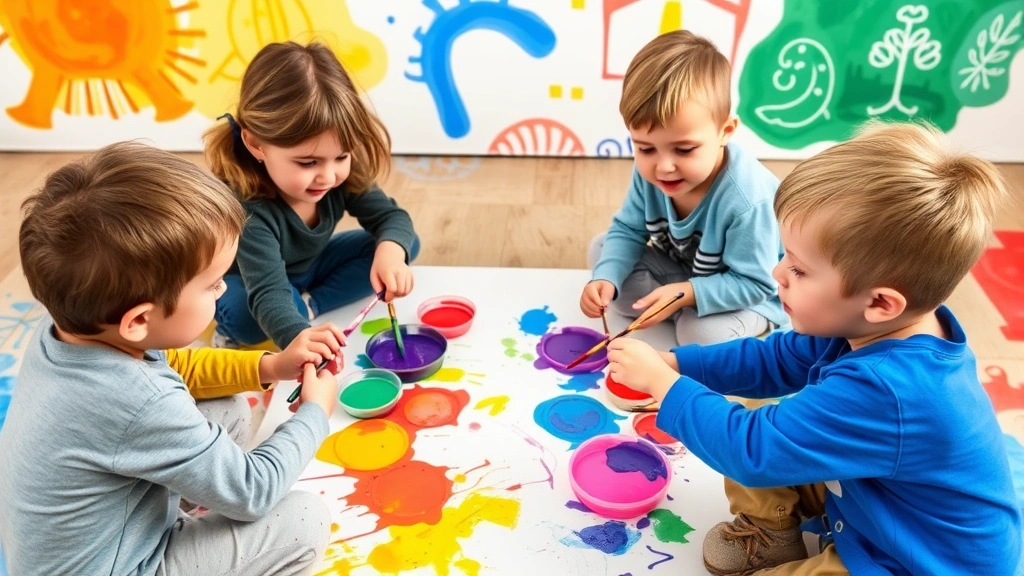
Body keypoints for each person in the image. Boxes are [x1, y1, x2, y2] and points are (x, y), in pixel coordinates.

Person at [606, 121, 1022, 575]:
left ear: (881, 302)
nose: (777, 274)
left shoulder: (889, 391)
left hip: (913, 559)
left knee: (748, 434)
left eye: (800, 270)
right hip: (870, 494)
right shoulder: (874, 324)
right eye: (785, 256)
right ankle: (775, 532)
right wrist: (676, 364)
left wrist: (666, 388)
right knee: (751, 405)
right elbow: (775, 358)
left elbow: (753, 451)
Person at [0, 141, 345, 575]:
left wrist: (270, 366)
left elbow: (175, 369)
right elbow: (254, 490)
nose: (223, 291)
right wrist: (315, 412)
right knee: (301, 521)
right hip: (125, 566)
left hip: (90, 541)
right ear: (139, 321)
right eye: (213, 283)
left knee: (228, 407)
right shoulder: (135, 401)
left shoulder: (66, 332)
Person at [205, 40, 419, 350]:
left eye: (342, 157)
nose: (329, 176)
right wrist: (299, 342)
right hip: (249, 282)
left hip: (307, 270)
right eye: (308, 163)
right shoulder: (248, 207)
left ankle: (309, 304)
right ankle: (232, 332)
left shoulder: (337, 173)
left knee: (402, 243)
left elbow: (390, 216)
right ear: (255, 145)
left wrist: (391, 252)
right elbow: (268, 291)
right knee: (249, 318)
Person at [582, 30, 785, 346]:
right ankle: (681, 307)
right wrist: (606, 279)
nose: (663, 166)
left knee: (697, 335)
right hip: (688, 273)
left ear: (724, 131)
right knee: (602, 251)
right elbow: (627, 230)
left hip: (755, 294)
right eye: (646, 149)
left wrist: (687, 294)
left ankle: (718, 320)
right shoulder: (651, 174)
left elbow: (757, 283)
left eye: (684, 149)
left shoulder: (747, 200)